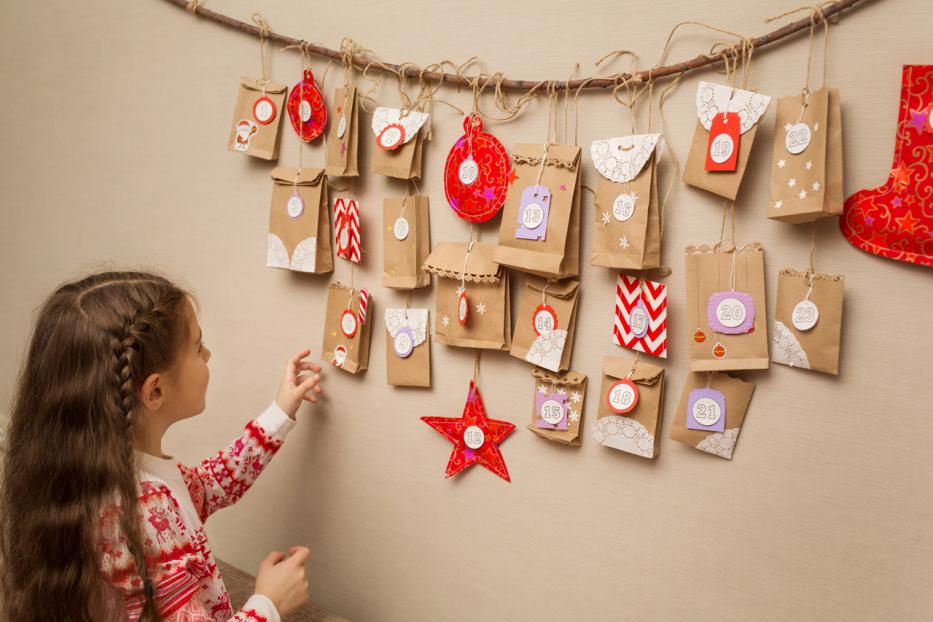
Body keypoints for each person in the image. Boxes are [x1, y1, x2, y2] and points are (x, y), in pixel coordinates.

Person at [0, 271, 323, 621]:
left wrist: (280, 412)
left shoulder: (101, 477)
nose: (209, 354)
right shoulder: (141, 515)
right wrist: (268, 602)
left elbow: (208, 486)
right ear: (154, 391)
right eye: (198, 348)